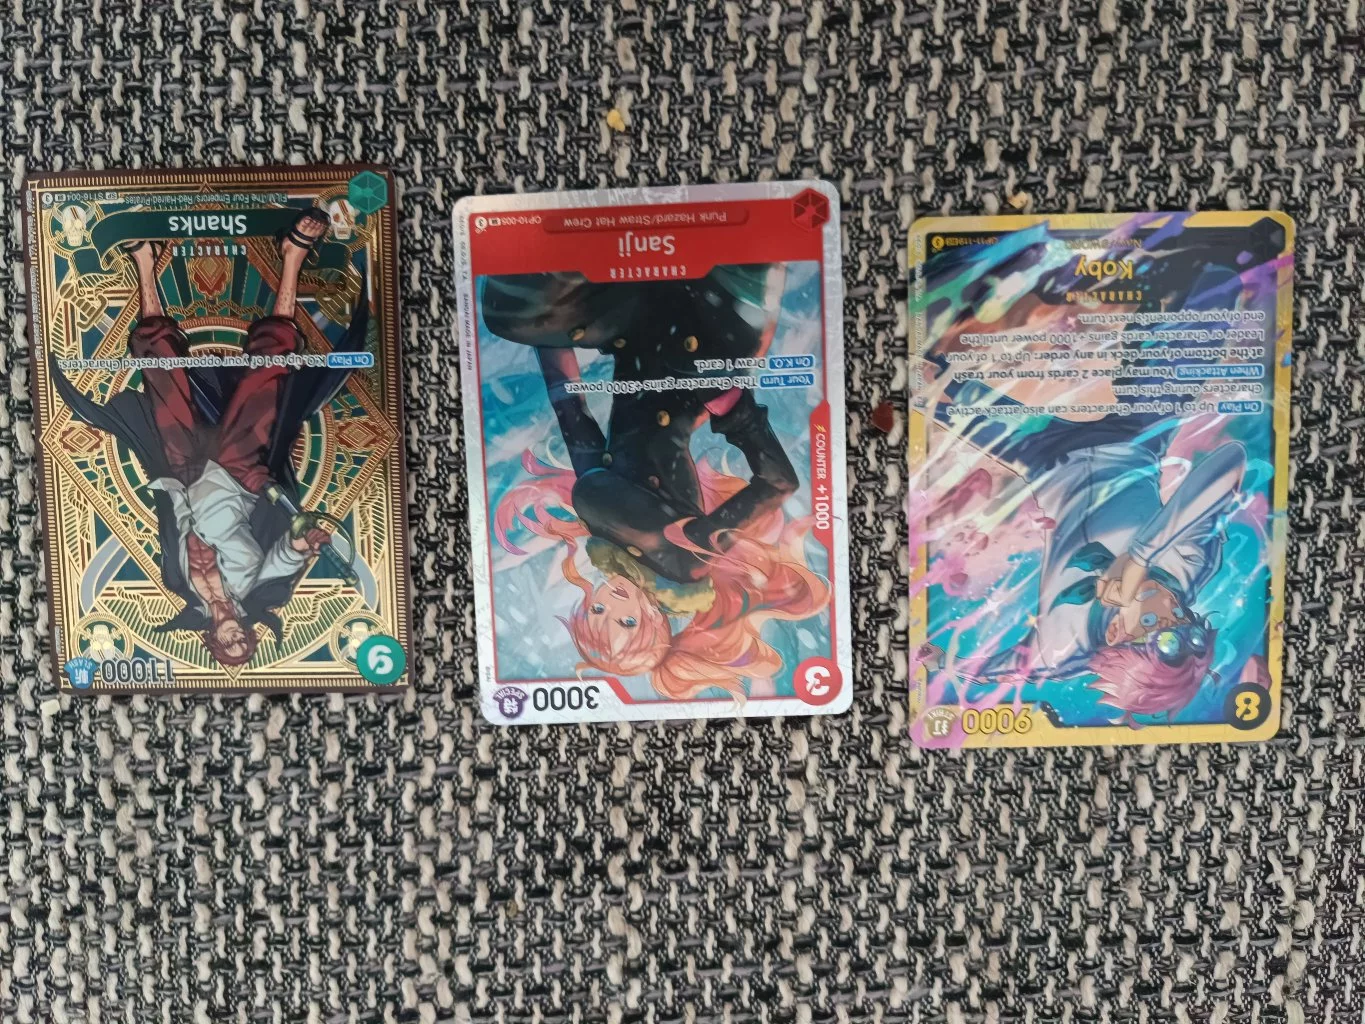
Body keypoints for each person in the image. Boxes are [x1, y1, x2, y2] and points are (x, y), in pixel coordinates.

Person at [486, 267, 829, 701]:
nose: (611, 603)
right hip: (709, 343)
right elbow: (778, 482)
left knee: (510, 313)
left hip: (640, 332)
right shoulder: (684, 563)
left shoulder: (601, 535)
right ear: (655, 621)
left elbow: (573, 415)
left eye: (597, 611)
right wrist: (728, 404)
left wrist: (545, 334)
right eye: (627, 622)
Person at [50, 209, 367, 667]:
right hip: (239, 476)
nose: (237, 641)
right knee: (267, 374)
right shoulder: (256, 591)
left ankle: (145, 262)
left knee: (161, 374)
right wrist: (304, 543)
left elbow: (173, 524)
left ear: (212, 642)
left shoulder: (178, 585)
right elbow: (285, 558)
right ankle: (293, 256)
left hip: (183, 474)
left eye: (229, 647)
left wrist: (170, 487)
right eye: (244, 645)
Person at [945, 439, 1244, 723]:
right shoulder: (1191, 565)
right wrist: (1140, 557)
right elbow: (1231, 459)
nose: (1170, 604)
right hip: (1133, 437)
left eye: (1153, 621)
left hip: (1041, 456)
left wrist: (938, 661)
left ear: (1115, 632)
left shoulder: (1057, 649)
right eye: (1182, 616)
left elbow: (996, 670)